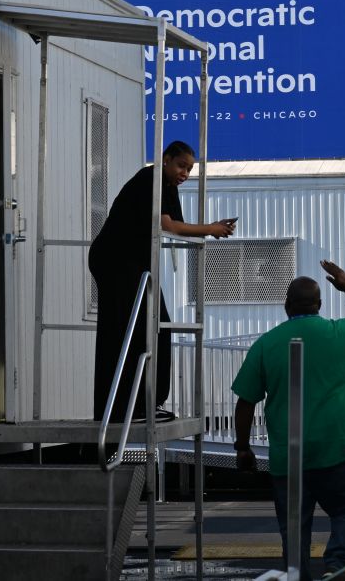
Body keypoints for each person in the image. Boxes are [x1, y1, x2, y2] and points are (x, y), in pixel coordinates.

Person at [232, 260, 345, 580]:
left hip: (289, 455)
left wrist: (243, 448)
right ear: (319, 305)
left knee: (294, 529)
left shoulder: (267, 344)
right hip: (341, 448)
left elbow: (246, 402)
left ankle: (297, 573)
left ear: (287, 306)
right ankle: (338, 565)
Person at [89, 140, 235, 421]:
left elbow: (177, 228)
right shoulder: (150, 178)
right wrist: (211, 229)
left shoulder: (167, 186)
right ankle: (128, 407)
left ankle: (143, 403)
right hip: (117, 260)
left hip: (133, 263)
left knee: (155, 326)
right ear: (166, 159)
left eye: (190, 169)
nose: (185, 174)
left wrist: (211, 228)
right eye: (182, 166)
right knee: (131, 331)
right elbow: (165, 225)